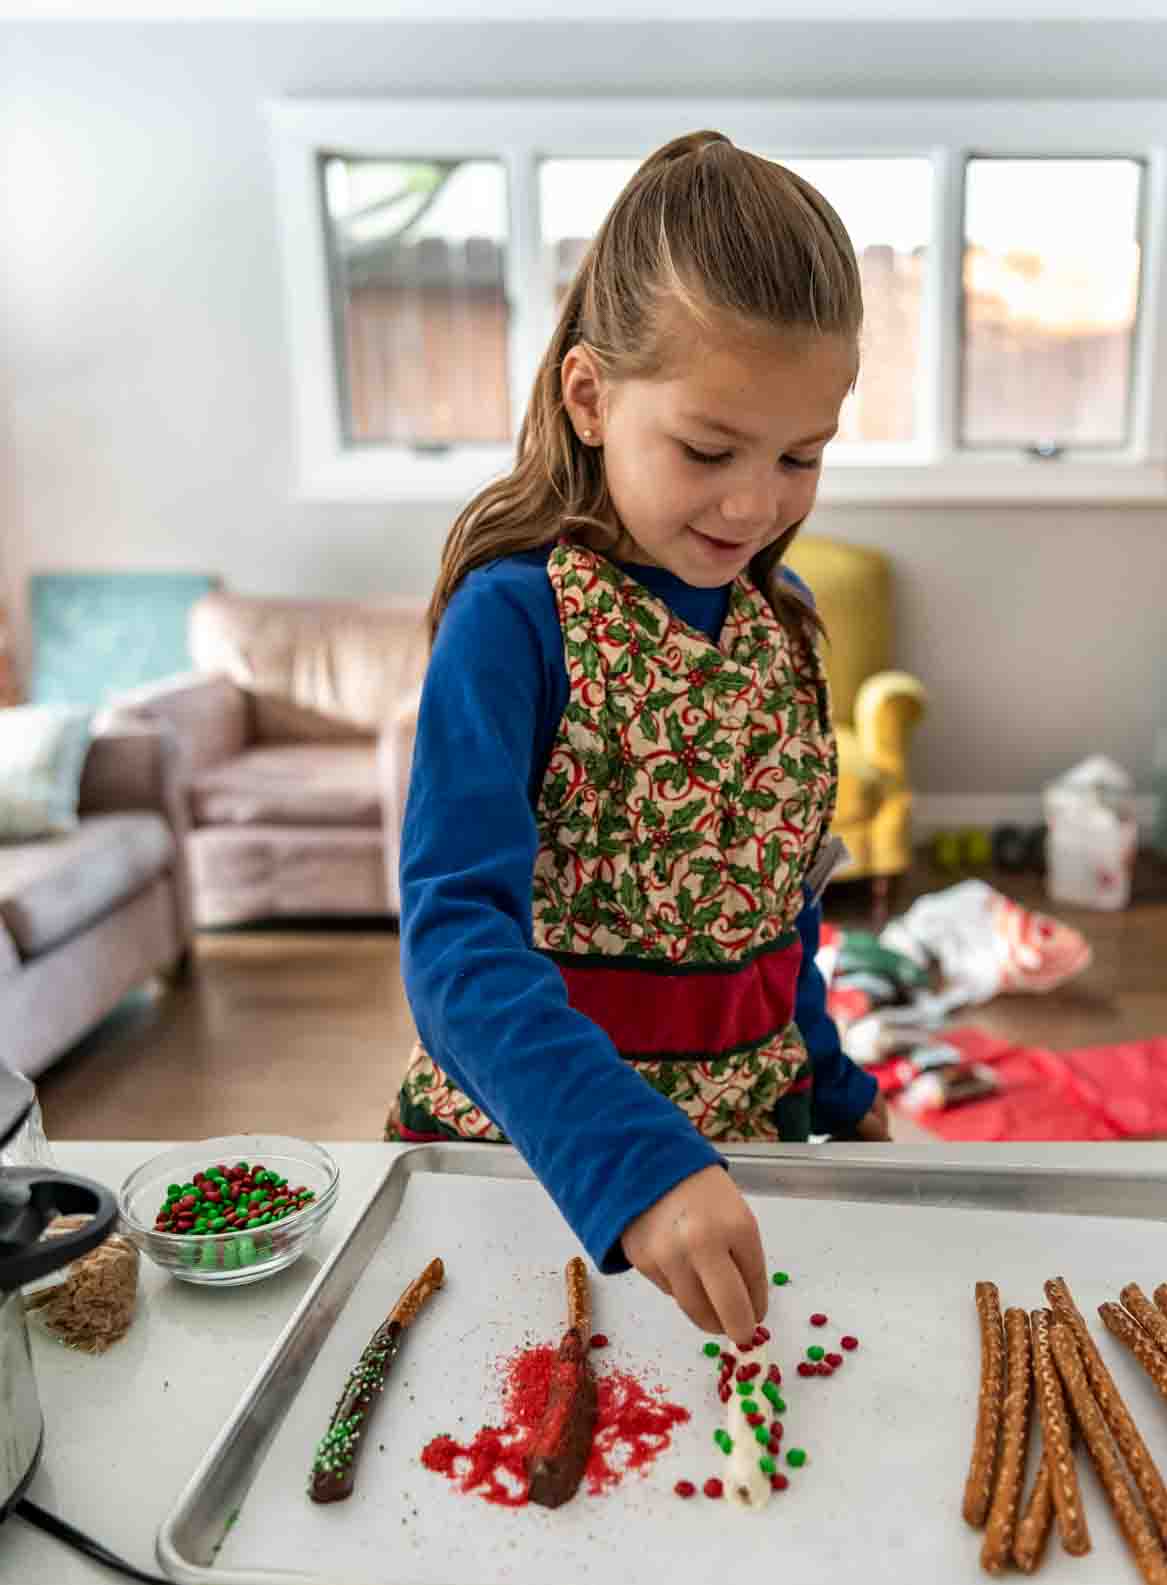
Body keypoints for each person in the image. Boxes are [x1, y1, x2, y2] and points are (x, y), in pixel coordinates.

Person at [389, 130, 889, 1348]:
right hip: (540, 1176)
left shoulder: (789, 624)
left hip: (748, 1167)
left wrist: (833, 1088)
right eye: (710, 450)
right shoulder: (516, 622)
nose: (756, 503)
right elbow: (454, 946)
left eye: (801, 456)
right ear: (591, 395)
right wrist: (631, 1159)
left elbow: (780, 910)